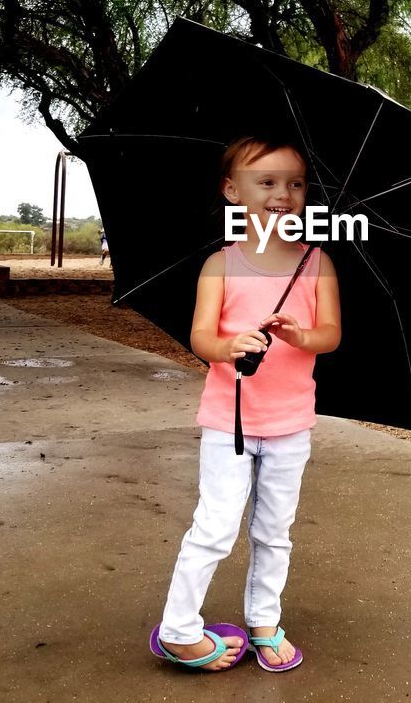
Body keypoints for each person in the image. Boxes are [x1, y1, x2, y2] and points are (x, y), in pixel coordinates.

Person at [151, 134, 341, 673]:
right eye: (267, 181)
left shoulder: (317, 263)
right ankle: (180, 629)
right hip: (227, 422)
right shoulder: (219, 265)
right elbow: (200, 339)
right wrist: (228, 347)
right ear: (233, 191)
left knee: (274, 530)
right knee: (215, 525)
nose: (283, 192)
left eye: (295, 183)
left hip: (289, 424)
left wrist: (302, 336)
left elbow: (331, 334)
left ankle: (263, 619)